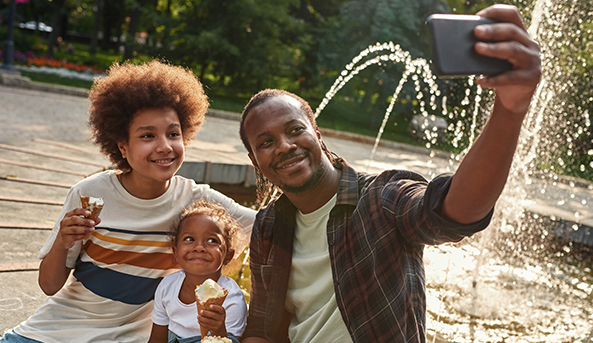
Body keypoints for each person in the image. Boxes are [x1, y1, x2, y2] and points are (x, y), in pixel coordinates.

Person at [238, 5, 541, 343]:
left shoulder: (382, 199)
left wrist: (510, 110)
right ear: (255, 160)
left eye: (295, 130)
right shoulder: (267, 224)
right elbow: (263, 326)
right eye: (266, 142)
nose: (284, 146)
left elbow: (455, 212)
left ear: (318, 135)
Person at [0, 60, 255, 343]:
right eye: (148, 135)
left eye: (173, 133)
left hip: (134, 337)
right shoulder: (89, 194)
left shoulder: (197, 201)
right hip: (60, 329)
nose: (164, 146)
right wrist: (63, 240)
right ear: (123, 146)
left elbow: (265, 224)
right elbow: (48, 286)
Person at [148, 200, 248, 343]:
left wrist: (218, 330)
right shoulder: (167, 286)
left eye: (212, 240)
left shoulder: (232, 299)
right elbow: (157, 339)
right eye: (189, 239)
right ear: (175, 252)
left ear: (228, 255)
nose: (199, 247)